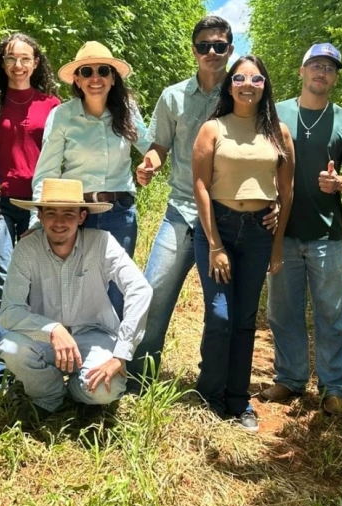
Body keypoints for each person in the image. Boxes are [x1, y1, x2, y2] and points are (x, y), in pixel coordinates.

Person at [128, 16, 278, 393]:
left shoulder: (244, 93)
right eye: (204, 46)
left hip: (231, 219)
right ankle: (138, 379)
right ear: (193, 50)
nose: (212, 52)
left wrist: (271, 197)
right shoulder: (173, 97)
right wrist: (149, 164)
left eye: (220, 45)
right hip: (182, 210)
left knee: (221, 312)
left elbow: (266, 150)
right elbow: (159, 146)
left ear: (230, 49)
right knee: (154, 291)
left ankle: (216, 386)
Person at [260, 43, 342, 416]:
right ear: (302, 71)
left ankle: (335, 387)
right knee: (283, 311)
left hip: (326, 232)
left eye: (330, 68)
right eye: (316, 65)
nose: (322, 72)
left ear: (335, 78)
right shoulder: (275, 113)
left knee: (331, 312)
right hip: (282, 230)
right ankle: (289, 377)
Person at [192, 55, 294, 431]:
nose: (247, 84)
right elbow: (200, 186)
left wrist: (277, 242)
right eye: (239, 78)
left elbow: (287, 189)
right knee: (220, 317)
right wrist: (215, 244)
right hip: (217, 228)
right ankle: (208, 394)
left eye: (255, 79)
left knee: (245, 319)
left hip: (257, 234)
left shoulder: (278, 133)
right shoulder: (213, 129)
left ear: (265, 85)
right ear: (229, 85)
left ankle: (237, 400)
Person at [0, 179, 152, 414]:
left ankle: (78, 392)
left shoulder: (102, 242)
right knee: (11, 348)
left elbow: (140, 289)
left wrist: (122, 353)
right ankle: (50, 395)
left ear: (82, 217)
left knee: (105, 390)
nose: (59, 222)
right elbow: (8, 311)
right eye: (51, 213)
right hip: (44, 339)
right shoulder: (26, 249)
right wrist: (53, 329)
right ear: (40, 216)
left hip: (93, 333)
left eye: (68, 213)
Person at [29, 41, 151, 317]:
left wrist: (150, 164)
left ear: (112, 77)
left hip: (119, 213)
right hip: (76, 212)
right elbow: (46, 171)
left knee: (115, 291)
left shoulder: (127, 110)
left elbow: (150, 146)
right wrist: (38, 219)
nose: (95, 78)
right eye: (86, 71)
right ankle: (72, 358)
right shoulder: (62, 115)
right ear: (77, 79)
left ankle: (110, 358)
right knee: (70, 291)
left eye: (103, 70)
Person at [0, 33, 61, 393]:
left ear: (36, 63)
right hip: (0, 204)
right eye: (11, 58)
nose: (18, 65)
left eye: (25, 59)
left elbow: (59, 158)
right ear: (2, 62)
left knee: (38, 290)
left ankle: (31, 372)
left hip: (41, 206)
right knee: (3, 286)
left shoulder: (52, 105)